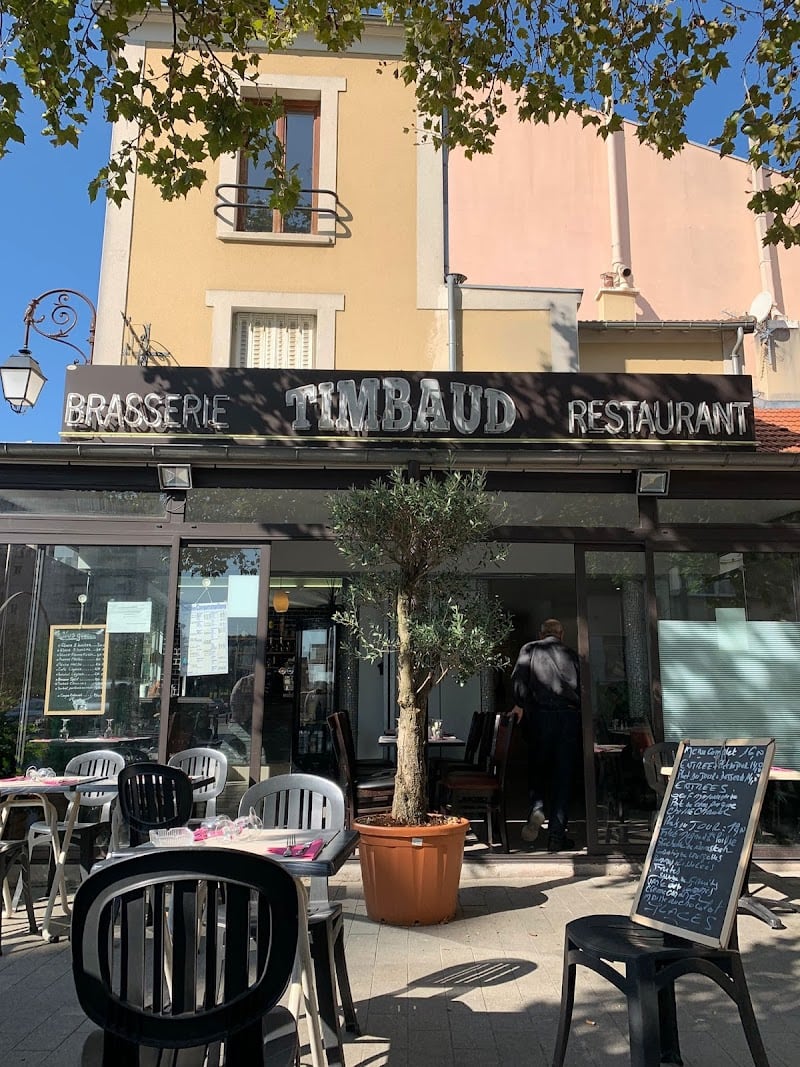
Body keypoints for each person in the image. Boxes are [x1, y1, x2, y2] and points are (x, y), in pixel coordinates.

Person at [511, 618, 581, 852]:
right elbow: (583, 689)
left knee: (537, 767)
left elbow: (520, 681)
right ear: (562, 634)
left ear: (541, 634)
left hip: (540, 716)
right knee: (563, 776)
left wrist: (520, 703)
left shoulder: (530, 649)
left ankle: (538, 807)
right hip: (569, 717)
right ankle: (557, 837)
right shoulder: (572, 654)